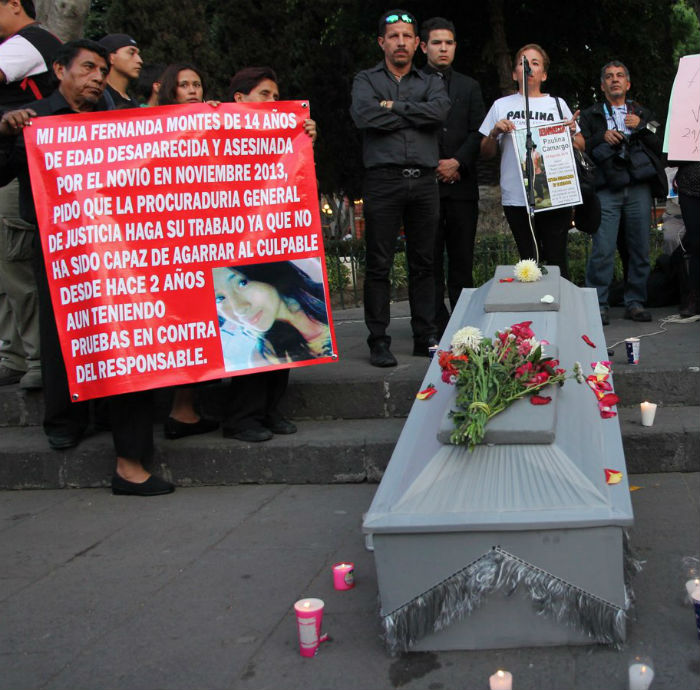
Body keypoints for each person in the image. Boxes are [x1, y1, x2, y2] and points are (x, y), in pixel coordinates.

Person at [0, 39, 172, 496]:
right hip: (60, 245)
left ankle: (111, 431)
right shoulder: (32, 121)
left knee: (118, 334)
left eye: (101, 70)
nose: (97, 77)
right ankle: (65, 420)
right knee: (62, 334)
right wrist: (5, 131)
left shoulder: (109, 120)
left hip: (113, 248)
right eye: (88, 68)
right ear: (59, 69)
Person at [214, 66, 319, 443]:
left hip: (273, 245)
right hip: (235, 247)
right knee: (252, 329)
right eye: (264, 94)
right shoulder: (216, 134)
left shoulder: (281, 135)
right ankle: (242, 417)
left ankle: (271, 410)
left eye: (276, 96)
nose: (273, 102)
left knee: (278, 322)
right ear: (238, 100)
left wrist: (304, 138)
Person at [350, 9, 449, 367]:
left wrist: (393, 107)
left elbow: (438, 114)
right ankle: (379, 340)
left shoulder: (430, 80)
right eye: (394, 36)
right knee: (379, 264)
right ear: (382, 42)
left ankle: (426, 336)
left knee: (425, 262)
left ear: (417, 43)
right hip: (383, 180)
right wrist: (414, 111)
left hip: (424, 180)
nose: (401, 42)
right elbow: (364, 116)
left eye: (407, 36)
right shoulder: (366, 79)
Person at [151, 62, 221, 440]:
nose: (193, 90)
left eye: (198, 83)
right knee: (182, 328)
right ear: (169, 91)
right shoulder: (151, 130)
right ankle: (180, 411)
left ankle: (186, 410)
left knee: (201, 327)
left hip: (205, 245)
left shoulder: (213, 123)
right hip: (172, 251)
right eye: (184, 85)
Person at [479, 43, 582, 279]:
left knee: (556, 259)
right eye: (523, 62)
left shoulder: (557, 104)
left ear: (544, 74)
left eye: (535, 63)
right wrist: (494, 132)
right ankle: (534, 312)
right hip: (516, 196)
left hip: (554, 194)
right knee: (528, 261)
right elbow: (485, 152)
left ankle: (559, 310)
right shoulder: (500, 106)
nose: (529, 67)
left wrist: (571, 132)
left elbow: (581, 145)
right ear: (515, 73)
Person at [0, 0, 60, 389]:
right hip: (10, 171)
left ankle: (37, 359)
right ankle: (14, 355)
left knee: (18, 265)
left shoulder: (28, 42)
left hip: (18, 175)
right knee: (6, 269)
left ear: (14, 4)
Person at [580, 60, 665, 324]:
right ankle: (598, 304)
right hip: (606, 188)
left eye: (619, 76)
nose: (614, 79)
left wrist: (640, 124)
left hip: (638, 186)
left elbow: (660, 140)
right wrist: (601, 137)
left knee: (639, 247)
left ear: (627, 84)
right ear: (603, 85)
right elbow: (581, 146)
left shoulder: (641, 112)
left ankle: (636, 302)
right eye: (609, 76)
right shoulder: (591, 114)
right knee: (603, 249)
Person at [419, 16, 484, 335]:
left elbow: (477, 132)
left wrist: (457, 162)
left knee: (462, 259)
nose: (443, 49)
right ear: (423, 46)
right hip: (424, 187)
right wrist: (434, 164)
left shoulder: (469, 86)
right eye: (436, 43)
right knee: (427, 259)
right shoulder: (412, 84)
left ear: (455, 47)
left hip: (461, 185)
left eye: (448, 43)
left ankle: (464, 322)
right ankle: (432, 322)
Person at [213, 262, 331, 364]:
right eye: (219, 298)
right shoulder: (263, 359)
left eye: (242, 282)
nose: (239, 309)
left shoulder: (322, 297)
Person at [97, 33, 141, 109]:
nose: (140, 60)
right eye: (131, 53)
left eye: (138, 54)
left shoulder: (134, 102)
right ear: (111, 58)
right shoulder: (98, 98)